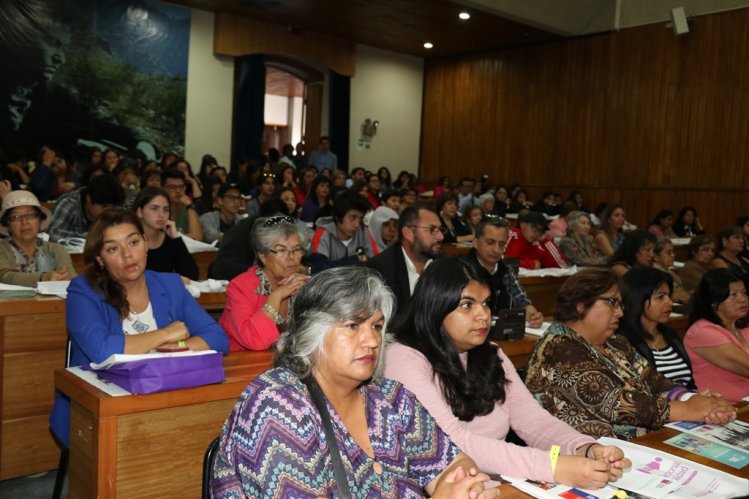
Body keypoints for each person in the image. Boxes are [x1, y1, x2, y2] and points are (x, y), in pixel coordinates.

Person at [212, 266, 496, 498]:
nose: (372, 340)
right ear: (312, 334)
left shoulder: (390, 397)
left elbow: (456, 466)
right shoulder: (277, 404)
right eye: (352, 326)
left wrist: (461, 487)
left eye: (376, 326)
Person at [385, 257, 630, 488]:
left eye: (486, 303)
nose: (483, 315)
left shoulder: (490, 353)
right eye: (467, 305)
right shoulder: (404, 358)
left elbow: (535, 422)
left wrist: (584, 448)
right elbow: (454, 444)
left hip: (501, 486)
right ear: (435, 306)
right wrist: (554, 466)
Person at [49, 209, 229, 448]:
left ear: (146, 244)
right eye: (113, 248)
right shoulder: (83, 291)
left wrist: (176, 346)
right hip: (97, 407)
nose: (127, 254)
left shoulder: (170, 283)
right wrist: (163, 334)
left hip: (164, 396)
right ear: (100, 259)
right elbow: (103, 351)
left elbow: (217, 338)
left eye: (133, 242)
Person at [524, 268, 735, 440]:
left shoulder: (616, 342)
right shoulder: (559, 347)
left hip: (644, 442)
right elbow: (615, 403)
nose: (620, 312)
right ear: (580, 305)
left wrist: (695, 399)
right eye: (612, 303)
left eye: (621, 304)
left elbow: (655, 382)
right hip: (588, 455)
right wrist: (689, 409)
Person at [219, 215, 309, 351]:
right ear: (263, 256)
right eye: (281, 250)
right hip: (241, 364)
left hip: (286, 364)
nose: (291, 257)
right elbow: (255, 341)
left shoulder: (304, 285)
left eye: (296, 250)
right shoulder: (240, 287)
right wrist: (276, 296)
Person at [619, 267, 695, 388]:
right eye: (660, 297)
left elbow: (691, 381)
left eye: (669, 296)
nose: (669, 302)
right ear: (637, 299)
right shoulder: (622, 341)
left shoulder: (670, 335)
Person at [685, 268, 749, 402]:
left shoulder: (743, 326)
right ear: (714, 302)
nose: (743, 299)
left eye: (744, 293)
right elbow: (746, 367)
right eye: (733, 295)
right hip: (723, 410)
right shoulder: (702, 332)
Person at [368, 205, 445, 314]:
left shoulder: (445, 264)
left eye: (440, 230)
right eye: (432, 230)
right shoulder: (381, 269)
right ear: (408, 234)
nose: (441, 237)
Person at [468, 216, 543, 326]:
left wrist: (533, 316)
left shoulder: (505, 269)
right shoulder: (464, 270)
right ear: (475, 242)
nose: (496, 250)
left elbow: (521, 300)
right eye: (490, 242)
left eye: (501, 244)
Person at [0, 190, 75, 286]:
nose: (24, 222)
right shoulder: (2, 249)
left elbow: (70, 275)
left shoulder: (57, 249)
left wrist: (65, 277)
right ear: (7, 225)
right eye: (16, 217)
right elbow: (5, 276)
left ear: (40, 221)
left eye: (30, 215)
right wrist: (43, 277)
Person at [133, 187, 198, 281]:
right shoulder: (130, 241)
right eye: (154, 208)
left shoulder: (170, 238)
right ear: (140, 212)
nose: (161, 215)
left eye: (166, 209)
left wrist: (176, 238)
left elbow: (192, 276)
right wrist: (170, 280)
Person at [310, 190, 378, 270]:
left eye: (360, 219)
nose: (357, 224)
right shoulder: (322, 233)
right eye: (352, 218)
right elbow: (319, 268)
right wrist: (354, 260)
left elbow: (376, 263)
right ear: (338, 217)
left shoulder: (363, 231)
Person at [47, 173, 125, 242]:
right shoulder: (69, 204)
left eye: (112, 208)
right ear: (89, 199)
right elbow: (52, 233)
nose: (108, 211)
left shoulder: (115, 203)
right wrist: (92, 238)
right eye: (104, 206)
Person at [162, 168, 203, 242]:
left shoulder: (188, 209)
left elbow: (197, 239)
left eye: (181, 187)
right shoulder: (157, 210)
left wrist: (190, 206)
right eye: (172, 187)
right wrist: (185, 237)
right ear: (163, 188)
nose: (178, 191)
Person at [653, 238, 691, 303]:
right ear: (655, 256)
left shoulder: (670, 272)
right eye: (668, 252)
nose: (673, 255)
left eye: (673, 252)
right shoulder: (654, 274)